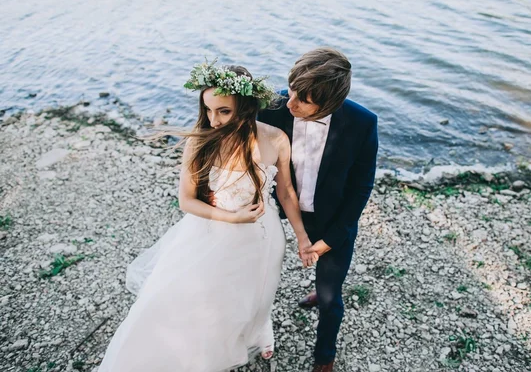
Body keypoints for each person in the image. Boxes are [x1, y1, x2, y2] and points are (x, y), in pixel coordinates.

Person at [98, 62, 317, 371]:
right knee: (198, 298)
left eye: (223, 111)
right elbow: (186, 201)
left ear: (244, 106)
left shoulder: (276, 139)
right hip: (213, 230)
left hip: (264, 235)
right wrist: (232, 218)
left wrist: (303, 238)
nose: (213, 120)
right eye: (209, 110)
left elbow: (286, 194)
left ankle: (255, 333)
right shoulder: (200, 140)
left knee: (255, 294)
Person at [259, 47, 378, 372]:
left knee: (329, 297)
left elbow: (360, 188)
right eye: (292, 90)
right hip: (278, 206)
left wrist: (332, 238)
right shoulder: (273, 105)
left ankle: (325, 356)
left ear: (330, 104)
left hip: (332, 218)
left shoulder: (363, 124)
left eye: (302, 100)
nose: (290, 103)